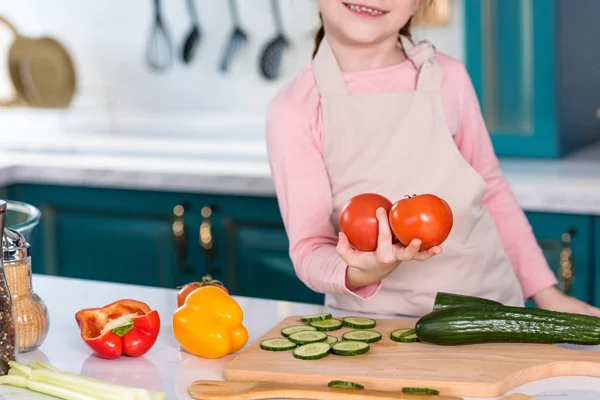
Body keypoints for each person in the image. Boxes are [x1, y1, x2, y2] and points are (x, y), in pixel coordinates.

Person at [265, 0, 600, 317]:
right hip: (375, 328)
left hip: (489, 310)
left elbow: (492, 192)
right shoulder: (295, 110)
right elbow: (310, 248)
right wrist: (356, 272)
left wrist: (546, 293)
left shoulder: (449, 78)